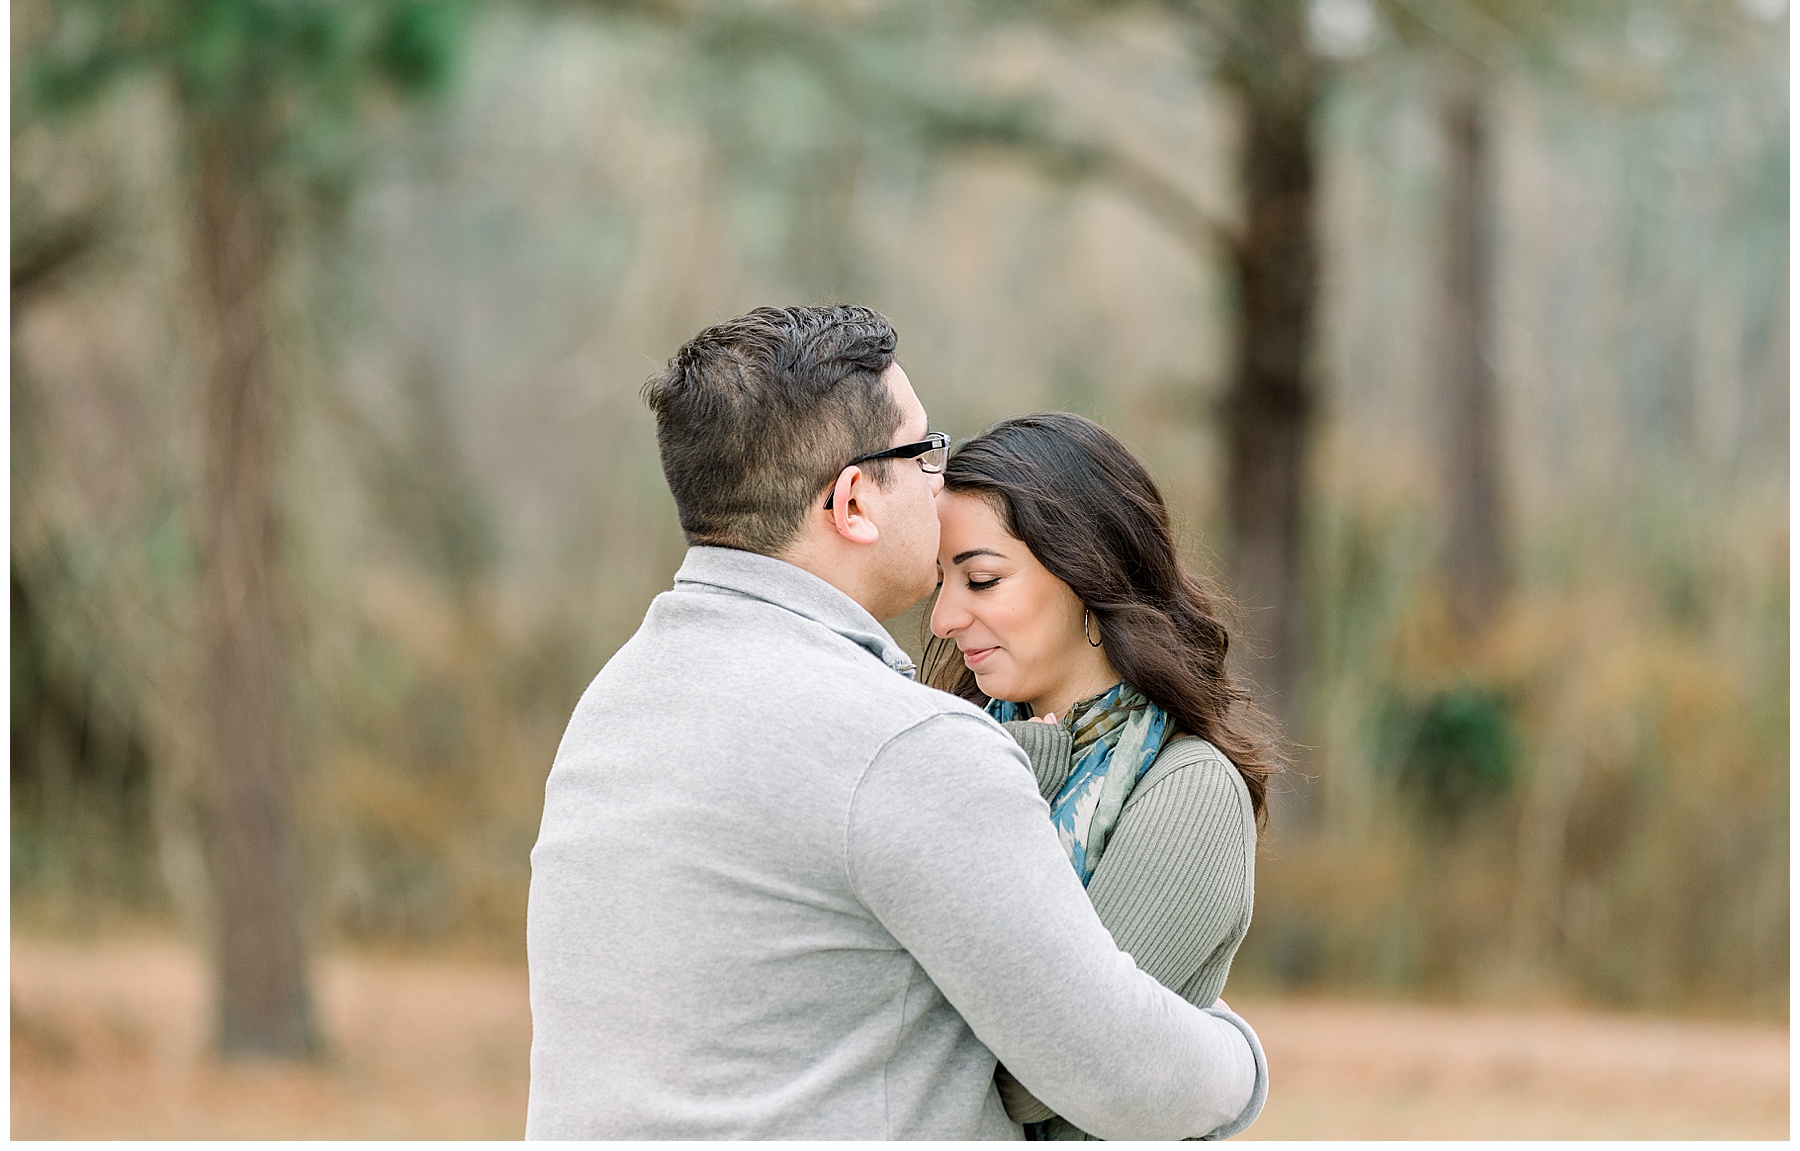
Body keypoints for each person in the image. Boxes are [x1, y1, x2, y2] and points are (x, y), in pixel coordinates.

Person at [525, 305, 1268, 1139]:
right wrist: (1240, 1057)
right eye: (922, 453)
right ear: (853, 502)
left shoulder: (616, 702)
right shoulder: (904, 746)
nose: (937, 479)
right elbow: (1113, 1066)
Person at [924, 411, 1284, 1140]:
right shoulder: (948, 748)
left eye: (981, 579)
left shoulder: (1191, 791)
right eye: (941, 582)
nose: (943, 618)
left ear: (1086, 574)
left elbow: (1031, 1078)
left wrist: (1016, 776)